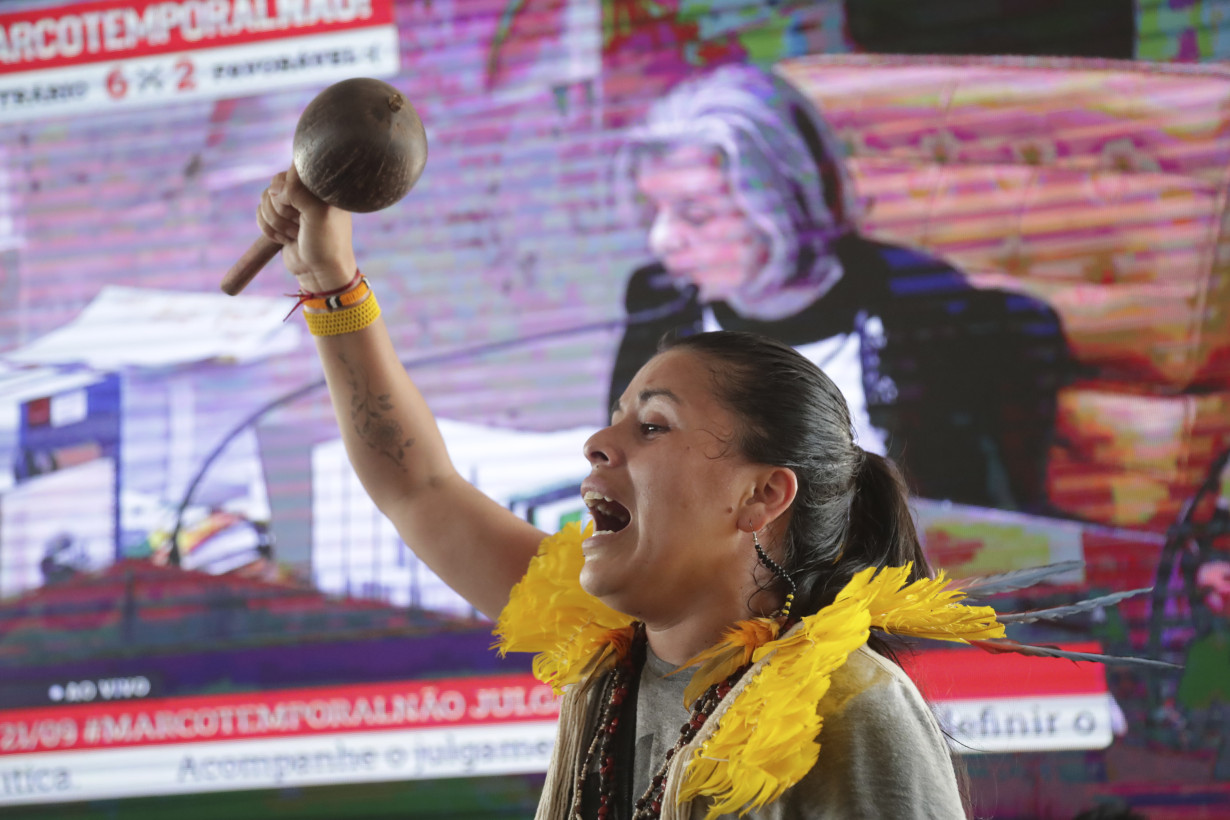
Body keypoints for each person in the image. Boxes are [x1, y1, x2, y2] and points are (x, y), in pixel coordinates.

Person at [254, 168, 1026, 819]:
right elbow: (416, 483)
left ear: (762, 497)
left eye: (652, 425)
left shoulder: (854, 706)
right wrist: (328, 279)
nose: (600, 442)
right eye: (616, 415)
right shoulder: (607, 650)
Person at [610, 64, 1073, 513]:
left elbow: (972, 516)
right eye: (656, 210)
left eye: (696, 214)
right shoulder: (659, 299)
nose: (662, 240)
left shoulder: (925, 306)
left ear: (786, 201)